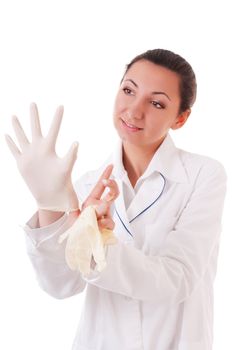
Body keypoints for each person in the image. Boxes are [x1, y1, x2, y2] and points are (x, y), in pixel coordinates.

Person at [5, 49, 227, 350]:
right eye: (128, 91)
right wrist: (50, 205)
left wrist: (101, 243)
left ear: (181, 118)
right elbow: (61, 285)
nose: (134, 112)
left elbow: (179, 278)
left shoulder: (203, 175)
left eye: (157, 102)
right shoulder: (87, 185)